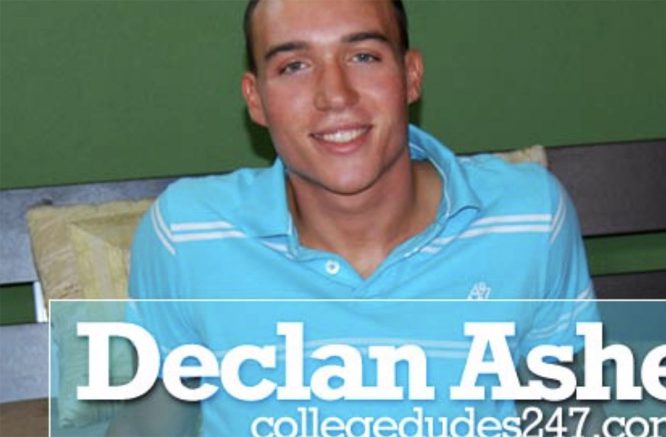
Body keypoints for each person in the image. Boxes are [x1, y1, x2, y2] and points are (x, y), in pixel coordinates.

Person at [109, 0, 598, 434]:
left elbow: (566, 419)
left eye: (363, 56)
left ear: (411, 76)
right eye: (294, 65)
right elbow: (148, 428)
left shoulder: (529, 217)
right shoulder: (187, 234)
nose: (335, 95)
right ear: (255, 99)